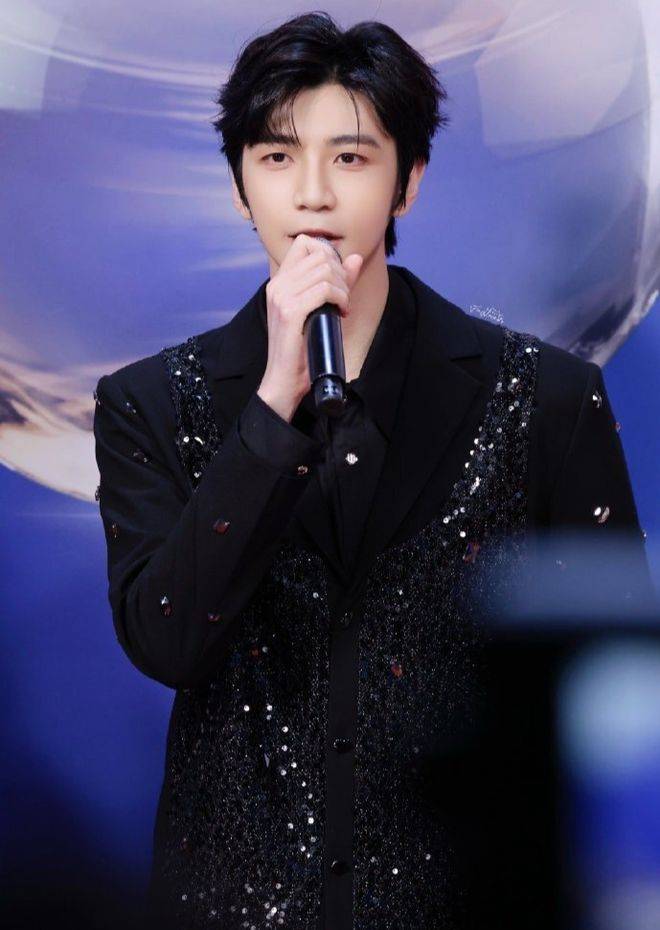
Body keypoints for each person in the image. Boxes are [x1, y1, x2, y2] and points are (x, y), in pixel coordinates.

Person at [93, 11, 655, 930]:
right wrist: (272, 409)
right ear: (239, 188)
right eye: (278, 158)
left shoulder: (546, 399)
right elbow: (168, 644)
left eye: (350, 158)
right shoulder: (151, 403)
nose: (313, 195)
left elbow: (614, 683)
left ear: (409, 181)